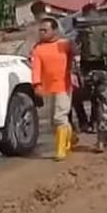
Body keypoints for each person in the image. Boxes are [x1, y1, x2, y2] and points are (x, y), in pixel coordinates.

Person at [74, 11, 107, 153]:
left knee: (81, 99)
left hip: (88, 72)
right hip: (105, 71)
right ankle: (102, 140)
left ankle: (85, 124)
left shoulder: (83, 30)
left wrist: (78, 74)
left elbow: (77, 54)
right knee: (104, 105)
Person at [30, 18, 75, 161]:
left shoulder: (65, 45)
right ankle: (70, 138)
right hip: (49, 88)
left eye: (45, 30)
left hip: (64, 86)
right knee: (52, 122)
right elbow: (36, 69)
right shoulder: (38, 49)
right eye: (40, 30)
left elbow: (76, 59)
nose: (42, 33)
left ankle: (60, 150)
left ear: (54, 30)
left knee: (59, 117)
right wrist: (36, 85)